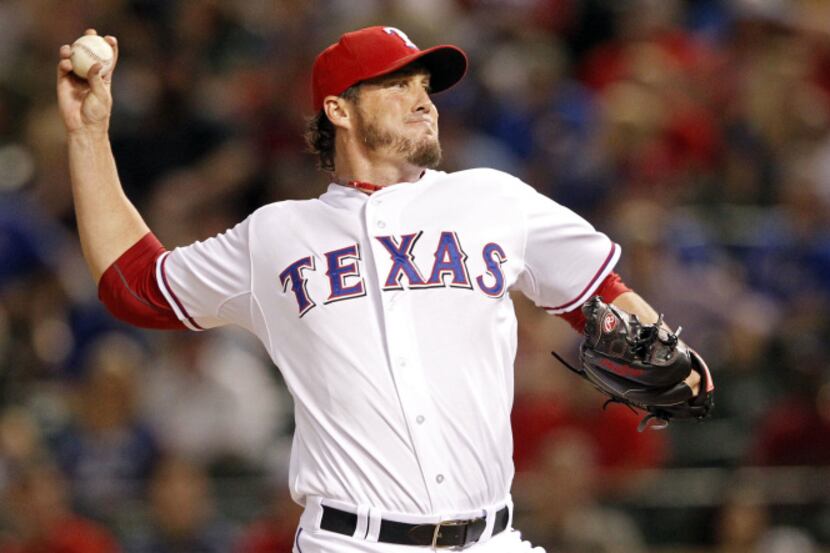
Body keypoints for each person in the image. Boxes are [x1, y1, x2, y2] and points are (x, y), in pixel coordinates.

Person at [56, 25, 707, 552]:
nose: (423, 99)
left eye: (425, 86)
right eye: (397, 84)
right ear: (338, 108)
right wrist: (87, 136)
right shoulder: (277, 235)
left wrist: (658, 341)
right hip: (352, 541)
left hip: (493, 537)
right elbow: (134, 285)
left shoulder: (491, 196)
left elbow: (599, 291)